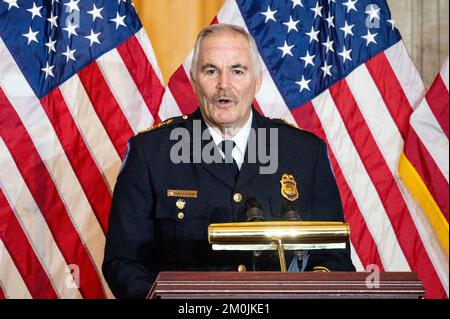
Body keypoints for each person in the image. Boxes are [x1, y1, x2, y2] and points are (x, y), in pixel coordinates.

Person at [102, 23, 355, 299]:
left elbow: (334, 257)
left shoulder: (305, 153)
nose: (224, 84)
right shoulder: (151, 153)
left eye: (237, 71)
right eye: (211, 71)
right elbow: (123, 261)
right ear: (194, 80)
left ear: (257, 80)